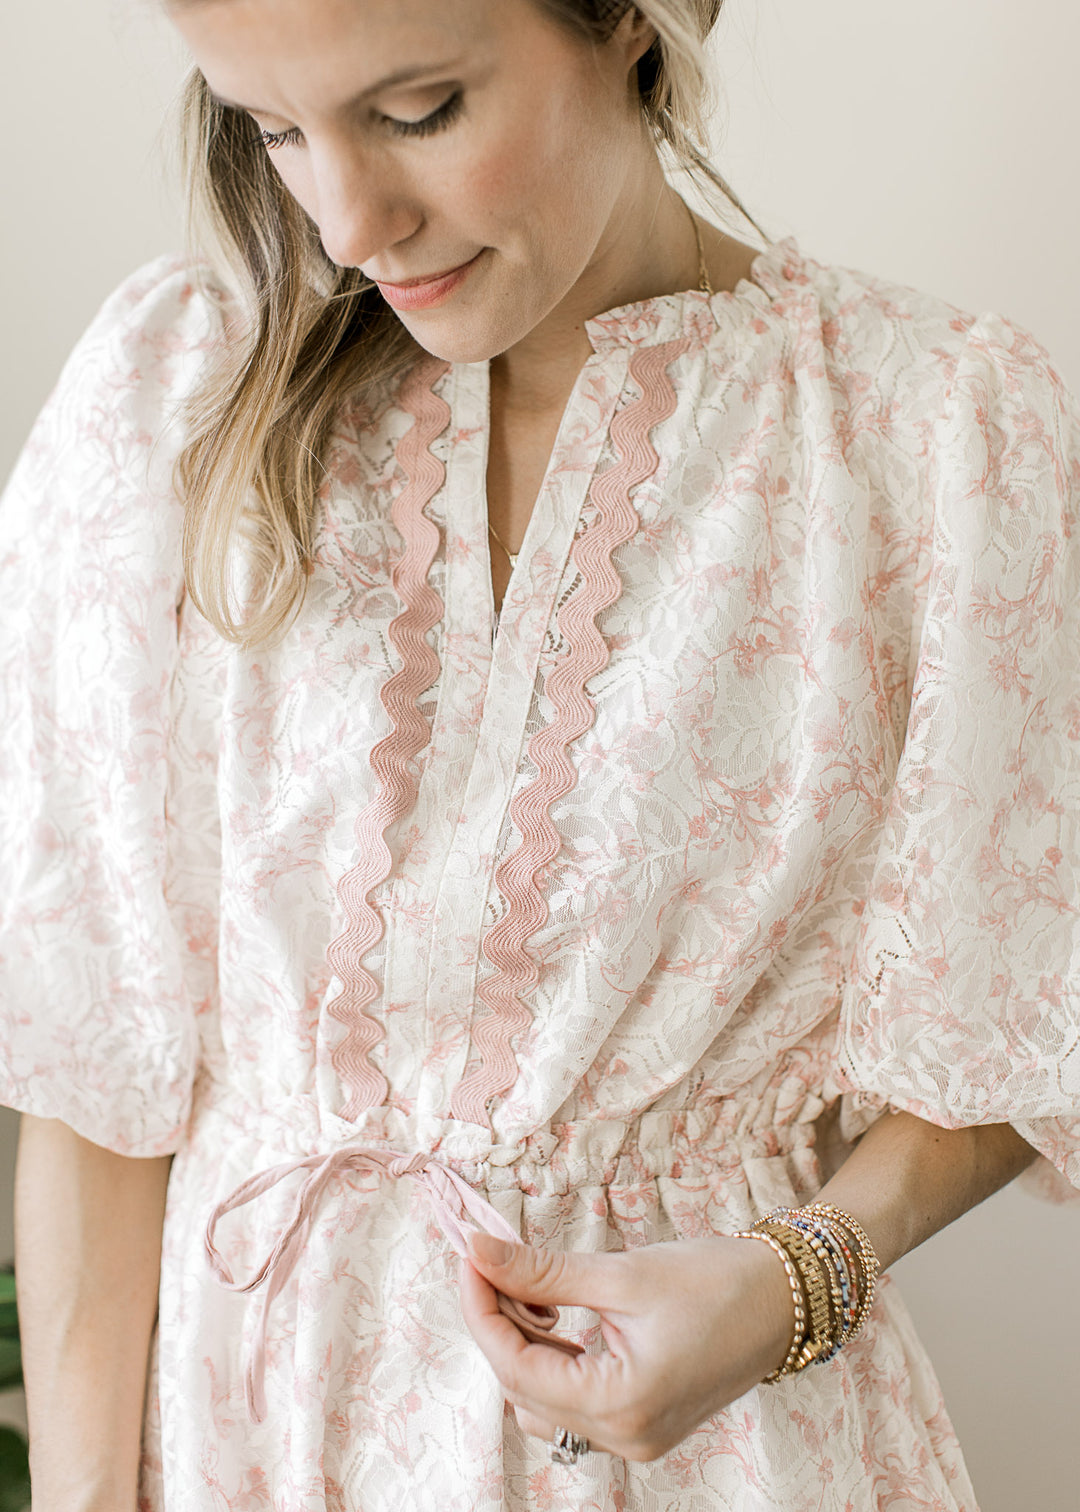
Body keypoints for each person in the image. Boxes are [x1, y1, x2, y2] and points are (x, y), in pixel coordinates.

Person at [3, 0, 1078, 1508]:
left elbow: (1004, 1023)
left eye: (420, 108)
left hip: (730, 1455)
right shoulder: (169, 401)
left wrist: (795, 1278)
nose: (351, 218)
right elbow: (93, 1074)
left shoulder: (927, 434)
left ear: (636, 18)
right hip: (248, 1444)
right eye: (275, 128)